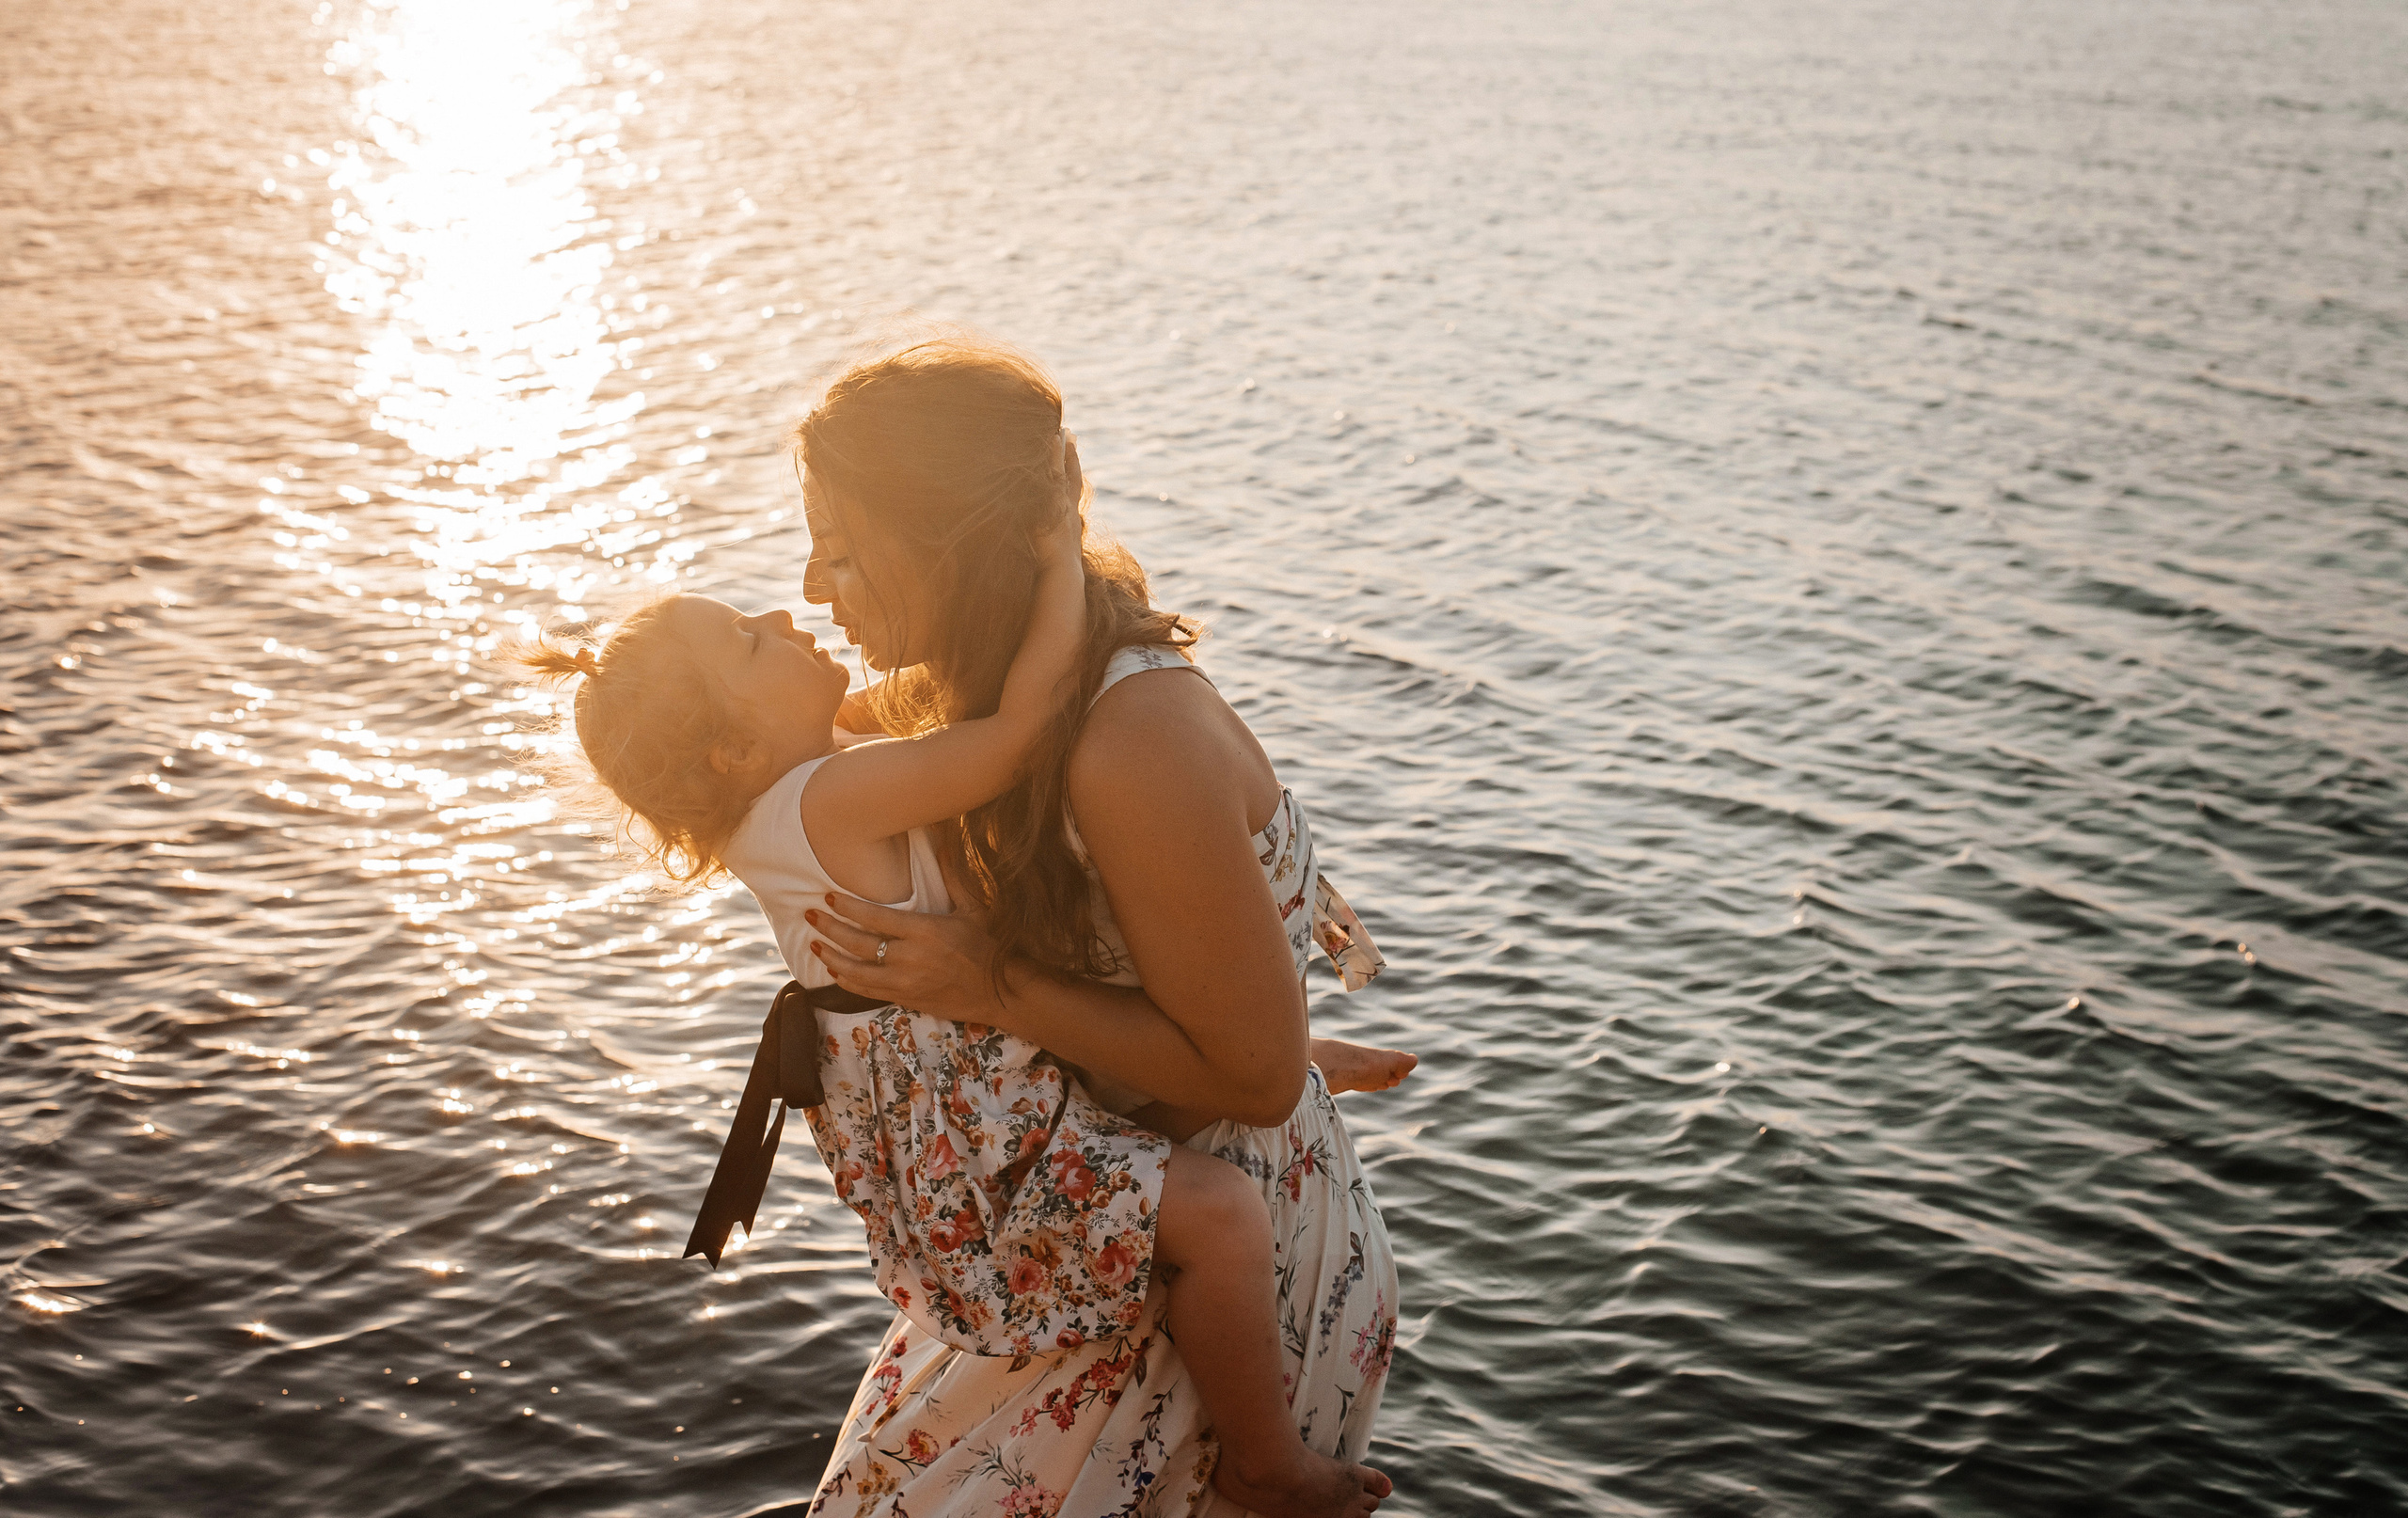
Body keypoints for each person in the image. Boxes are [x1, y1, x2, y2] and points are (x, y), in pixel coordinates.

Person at [514, 427, 1393, 1517]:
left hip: (957, 1095)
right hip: (980, 1110)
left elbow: (936, 702)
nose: (792, 605)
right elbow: (1016, 728)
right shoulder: (828, 800)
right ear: (734, 754)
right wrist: (1058, 554)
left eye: (836, 553)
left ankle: (1274, 1046)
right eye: (751, 641)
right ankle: (1266, 1461)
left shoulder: (793, 790)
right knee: (1218, 1217)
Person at [784, 334, 1407, 1516]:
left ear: (948, 547)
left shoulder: (1132, 743)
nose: (815, 590)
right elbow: (788, 759)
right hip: (1089, 1212)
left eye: (844, 553)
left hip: (1215, 1257)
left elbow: (1257, 1077)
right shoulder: (979, 697)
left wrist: (990, 989)